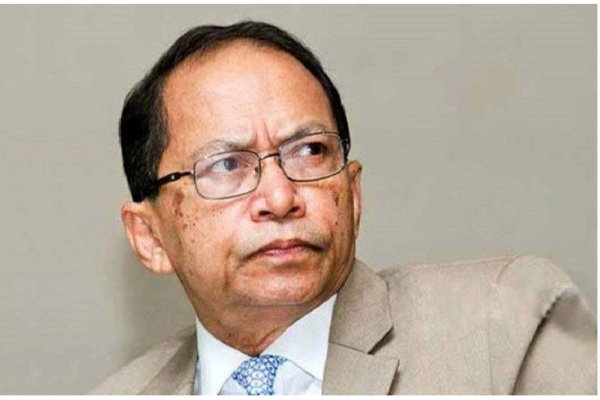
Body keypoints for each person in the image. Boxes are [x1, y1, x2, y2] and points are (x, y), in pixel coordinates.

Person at [91, 21, 596, 395]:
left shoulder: (509, 324)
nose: (280, 198)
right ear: (150, 238)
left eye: (310, 152)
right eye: (227, 165)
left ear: (352, 195)